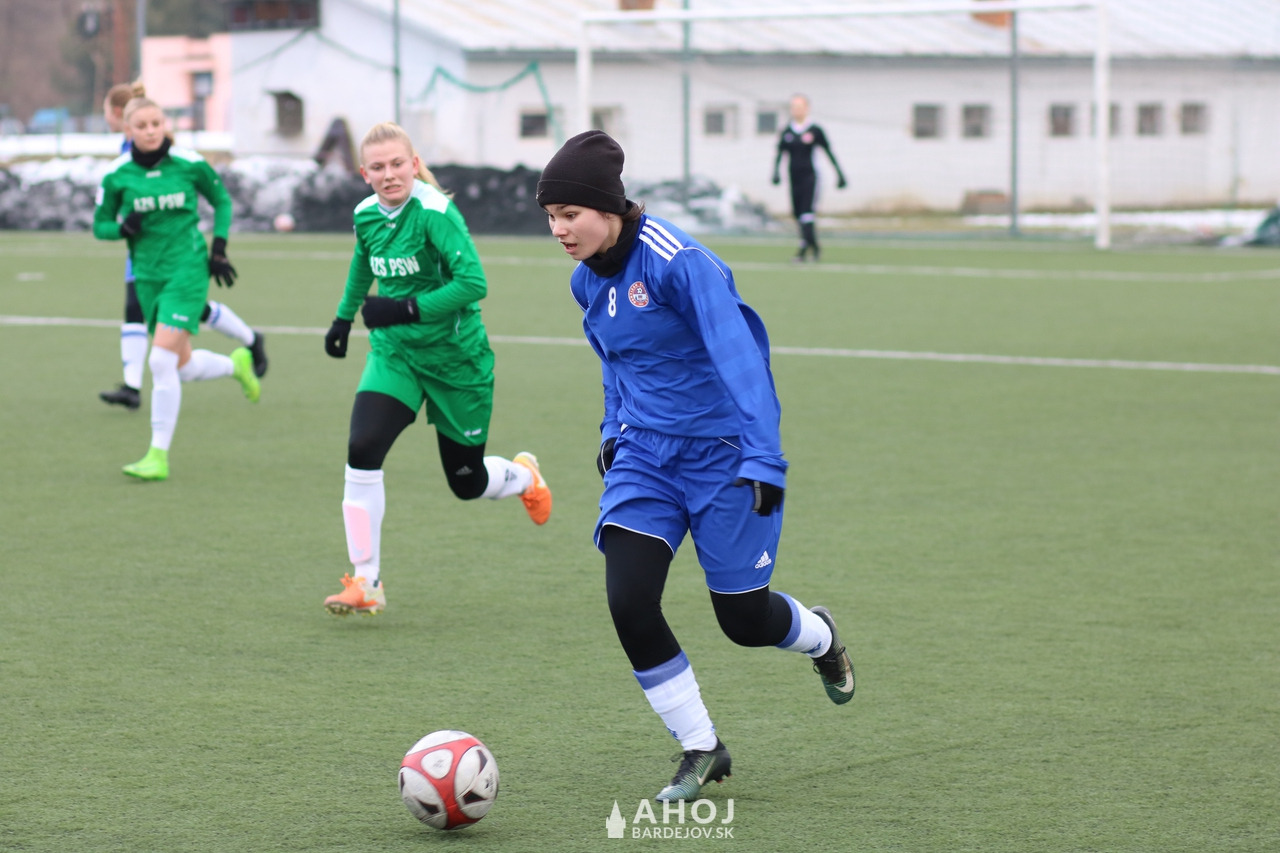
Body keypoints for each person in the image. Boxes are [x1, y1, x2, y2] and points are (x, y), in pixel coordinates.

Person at [537, 130, 855, 802]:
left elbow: (743, 357)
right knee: (628, 599)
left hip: (725, 456)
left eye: (570, 214)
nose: (559, 229)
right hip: (646, 457)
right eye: (551, 217)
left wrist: (764, 456)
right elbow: (617, 362)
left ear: (608, 208)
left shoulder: (678, 262)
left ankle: (821, 636)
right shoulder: (585, 280)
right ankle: (702, 746)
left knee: (743, 621)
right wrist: (612, 428)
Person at [320, 121, 551, 617]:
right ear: (364, 173)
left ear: (414, 163)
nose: (388, 174)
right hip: (396, 356)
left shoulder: (436, 213)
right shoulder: (365, 214)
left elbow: (474, 283)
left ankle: (523, 476)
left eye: (396, 164)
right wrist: (343, 317)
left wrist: (404, 309)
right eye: (377, 167)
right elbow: (363, 262)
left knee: (465, 482)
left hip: (456, 361)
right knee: (362, 448)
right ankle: (366, 581)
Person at [92, 94, 261, 481]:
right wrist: (121, 229)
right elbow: (100, 225)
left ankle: (157, 456)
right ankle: (235, 364)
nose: (151, 131)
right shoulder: (116, 174)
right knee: (181, 368)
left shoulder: (189, 163)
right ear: (128, 130)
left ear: (165, 124)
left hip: (187, 271)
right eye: (142, 126)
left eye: (156, 123)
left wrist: (219, 248)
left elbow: (221, 200)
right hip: (147, 277)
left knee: (159, 361)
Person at [771, 94, 847, 263]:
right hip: (794, 178)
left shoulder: (814, 130)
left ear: (807, 108)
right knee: (798, 214)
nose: (796, 110)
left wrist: (839, 174)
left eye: (800, 107)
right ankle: (815, 246)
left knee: (807, 213)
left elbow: (828, 152)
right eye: (794, 107)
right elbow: (780, 153)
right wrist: (775, 172)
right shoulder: (787, 131)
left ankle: (803, 249)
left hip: (810, 177)